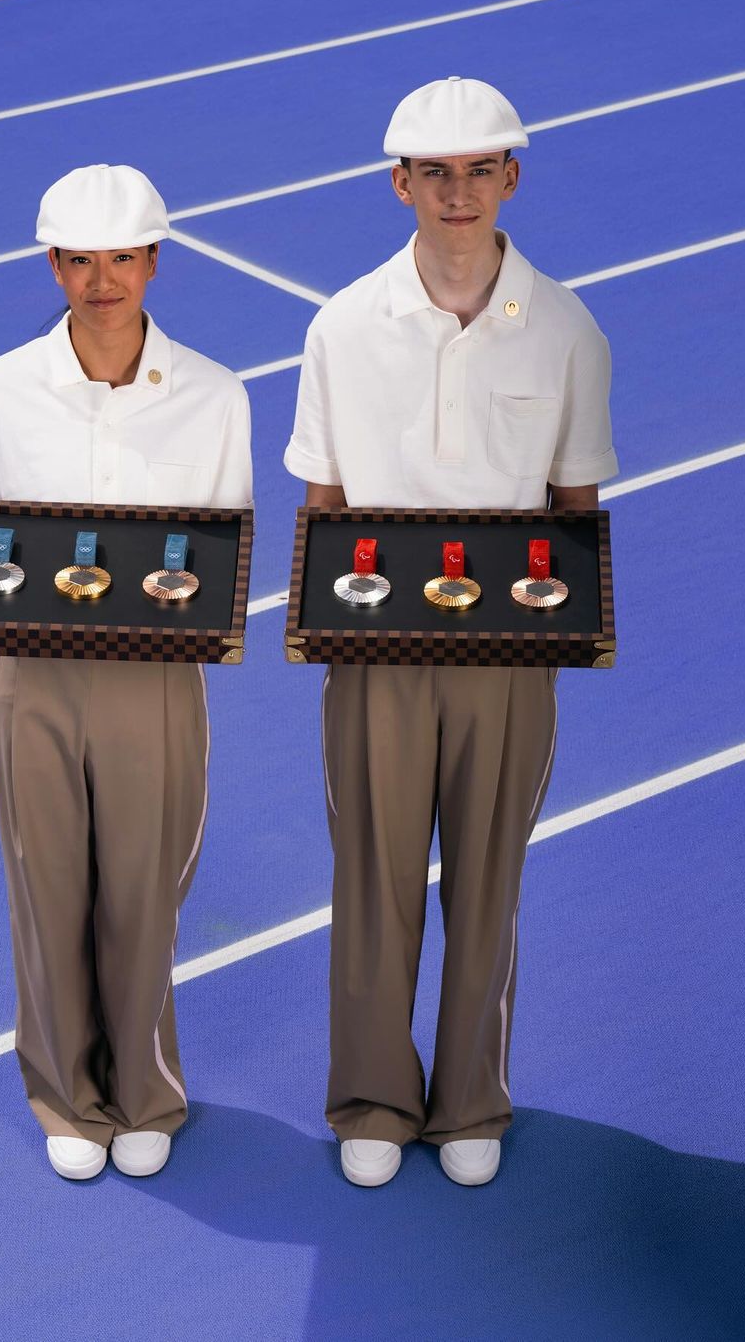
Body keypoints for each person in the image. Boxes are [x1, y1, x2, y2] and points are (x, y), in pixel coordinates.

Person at [283, 78, 617, 1188]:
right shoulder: (338, 327)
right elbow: (323, 507)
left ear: (512, 176)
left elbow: (575, 516)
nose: (458, 191)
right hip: (376, 660)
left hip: (508, 664)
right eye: (436, 172)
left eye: (480, 169)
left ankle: (471, 1094)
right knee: (372, 876)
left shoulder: (570, 330)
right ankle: (373, 1097)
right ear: (401, 184)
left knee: (489, 877)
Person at [0, 163, 252, 1180]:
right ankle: (66, 1097)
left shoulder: (216, 396)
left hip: (155, 681)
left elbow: (222, 553)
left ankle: (145, 1091)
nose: (100, 279)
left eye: (120, 257)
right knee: (45, 888)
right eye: (78, 259)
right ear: (53, 264)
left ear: (153, 261)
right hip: (31, 675)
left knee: (143, 889)